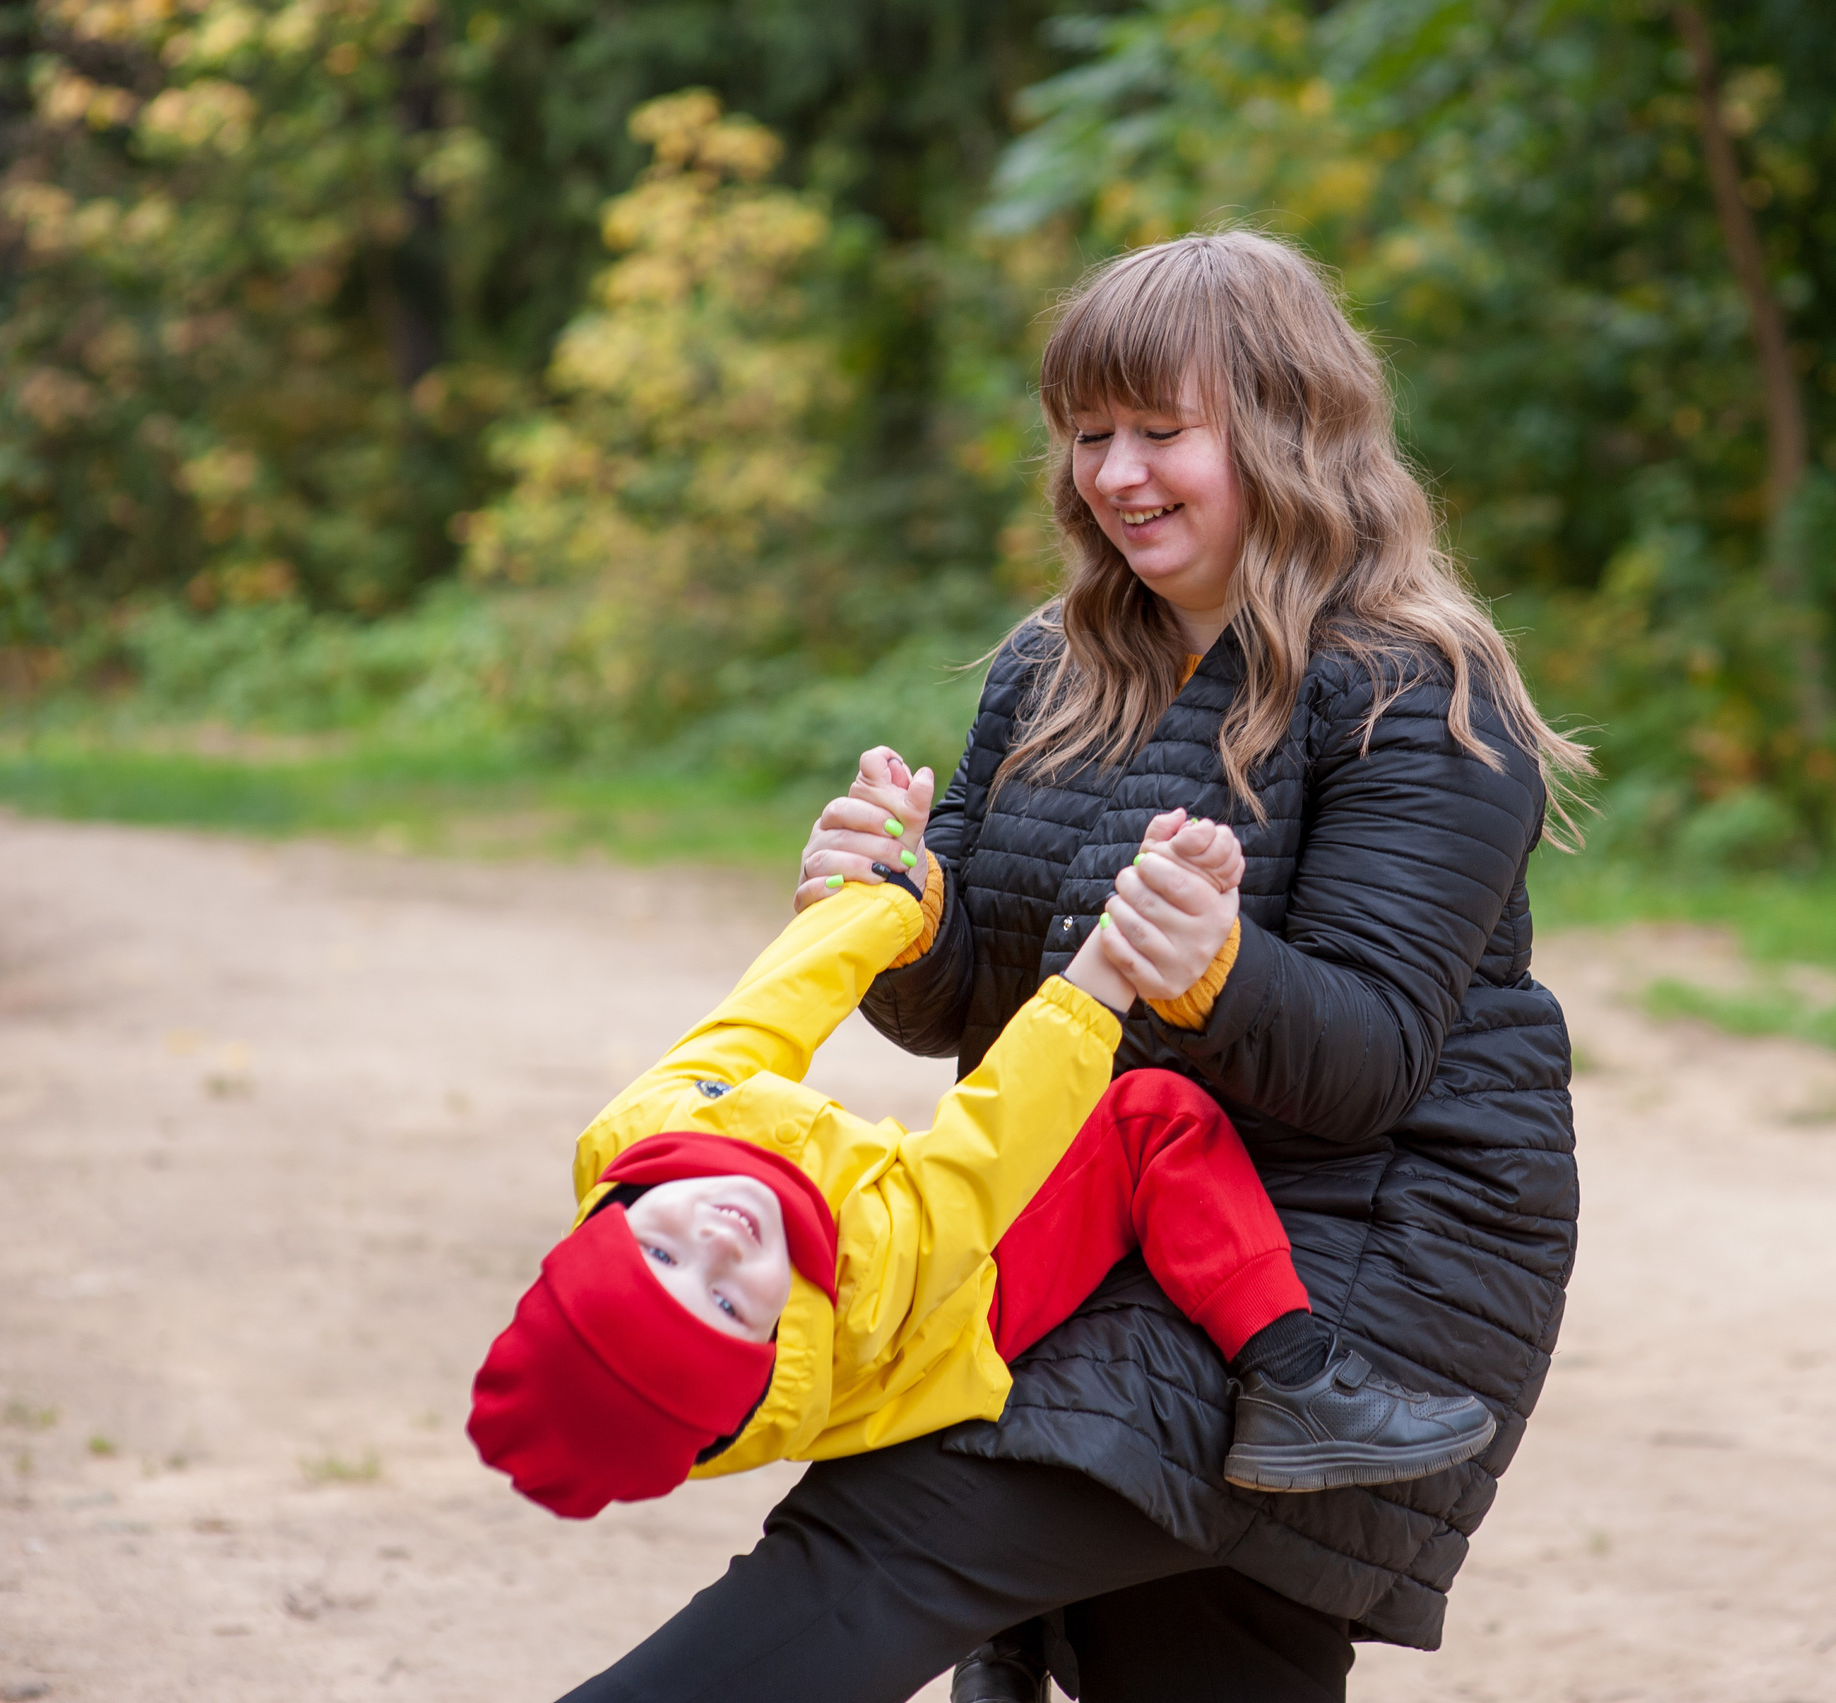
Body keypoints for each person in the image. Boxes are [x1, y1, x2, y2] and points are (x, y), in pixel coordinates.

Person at [561, 229, 1587, 1703]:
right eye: (1090, 434)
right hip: (1094, 1220)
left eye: (1165, 432)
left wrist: (1216, 972)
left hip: (1345, 1271)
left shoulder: (1416, 693)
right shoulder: (1056, 666)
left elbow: (1366, 1060)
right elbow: (981, 1008)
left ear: (1292, 432)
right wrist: (899, 910)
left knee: (884, 1537)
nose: (1118, 474)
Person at [467, 803, 1494, 1520]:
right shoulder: (871, 1269)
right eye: (732, 1306)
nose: (719, 1248)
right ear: (768, 1342)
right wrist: (1113, 958)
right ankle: (1295, 1377)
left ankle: (1009, 1641)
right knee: (1152, 1117)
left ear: (608, 1214)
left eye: (658, 1252)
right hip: (961, 1305)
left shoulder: (638, 1129)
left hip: (904, 1211)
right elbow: (984, 1153)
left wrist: (886, 899)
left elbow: (757, 1015)